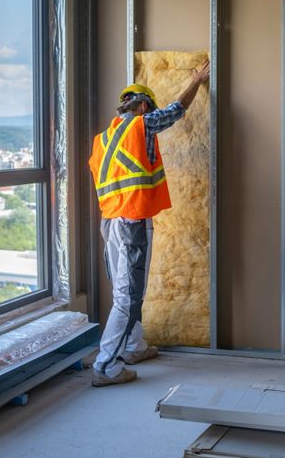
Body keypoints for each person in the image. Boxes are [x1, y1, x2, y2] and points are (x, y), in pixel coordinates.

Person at [88, 60, 210, 386]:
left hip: (111, 221)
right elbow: (177, 109)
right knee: (127, 297)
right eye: (148, 108)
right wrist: (197, 80)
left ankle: (133, 345)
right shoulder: (139, 126)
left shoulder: (103, 139)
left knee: (129, 288)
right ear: (142, 105)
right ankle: (105, 367)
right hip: (131, 221)